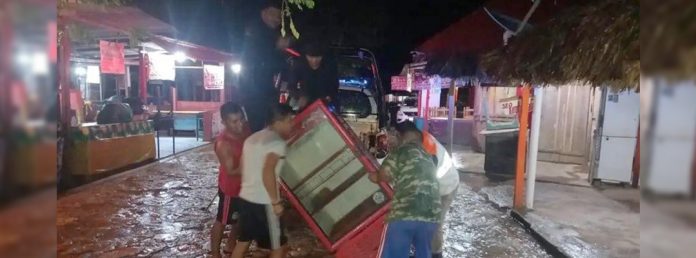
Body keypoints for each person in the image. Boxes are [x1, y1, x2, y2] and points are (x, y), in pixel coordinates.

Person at [231, 104, 295, 258]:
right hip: (264, 203)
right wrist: (275, 202)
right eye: (289, 120)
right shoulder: (277, 143)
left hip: (246, 199)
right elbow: (268, 172)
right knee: (278, 248)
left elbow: (242, 167)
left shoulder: (252, 138)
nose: (291, 124)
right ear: (280, 121)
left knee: (243, 243)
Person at [370, 121, 441, 258]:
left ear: (399, 135)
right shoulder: (428, 155)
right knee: (423, 254)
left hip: (405, 213)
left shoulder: (401, 151)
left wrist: (373, 176)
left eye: (391, 137)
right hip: (431, 216)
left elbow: (384, 175)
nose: (390, 141)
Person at [240, 0, 289, 132]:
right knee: (260, 130)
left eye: (280, 16)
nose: (277, 19)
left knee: (267, 128)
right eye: (274, 14)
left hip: (263, 90)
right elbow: (261, 60)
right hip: (255, 92)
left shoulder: (268, 33)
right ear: (264, 13)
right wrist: (278, 47)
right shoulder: (256, 31)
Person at [210, 102, 248, 258]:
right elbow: (232, 171)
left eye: (241, 119)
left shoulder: (245, 129)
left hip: (245, 187)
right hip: (230, 189)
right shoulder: (223, 144)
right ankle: (215, 254)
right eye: (234, 121)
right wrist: (252, 162)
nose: (240, 124)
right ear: (224, 122)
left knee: (240, 219)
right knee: (222, 220)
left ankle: (230, 245)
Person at [287, 42, 339, 111]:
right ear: (306, 56)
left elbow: (335, 85)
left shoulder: (329, 66)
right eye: (311, 57)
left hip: (323, 104)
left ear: (322, 57)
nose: (314, 61)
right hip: (304, 104)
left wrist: (329, 96)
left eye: (318, 57)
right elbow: (291, 86)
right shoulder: (299, 65)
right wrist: (300, 96)